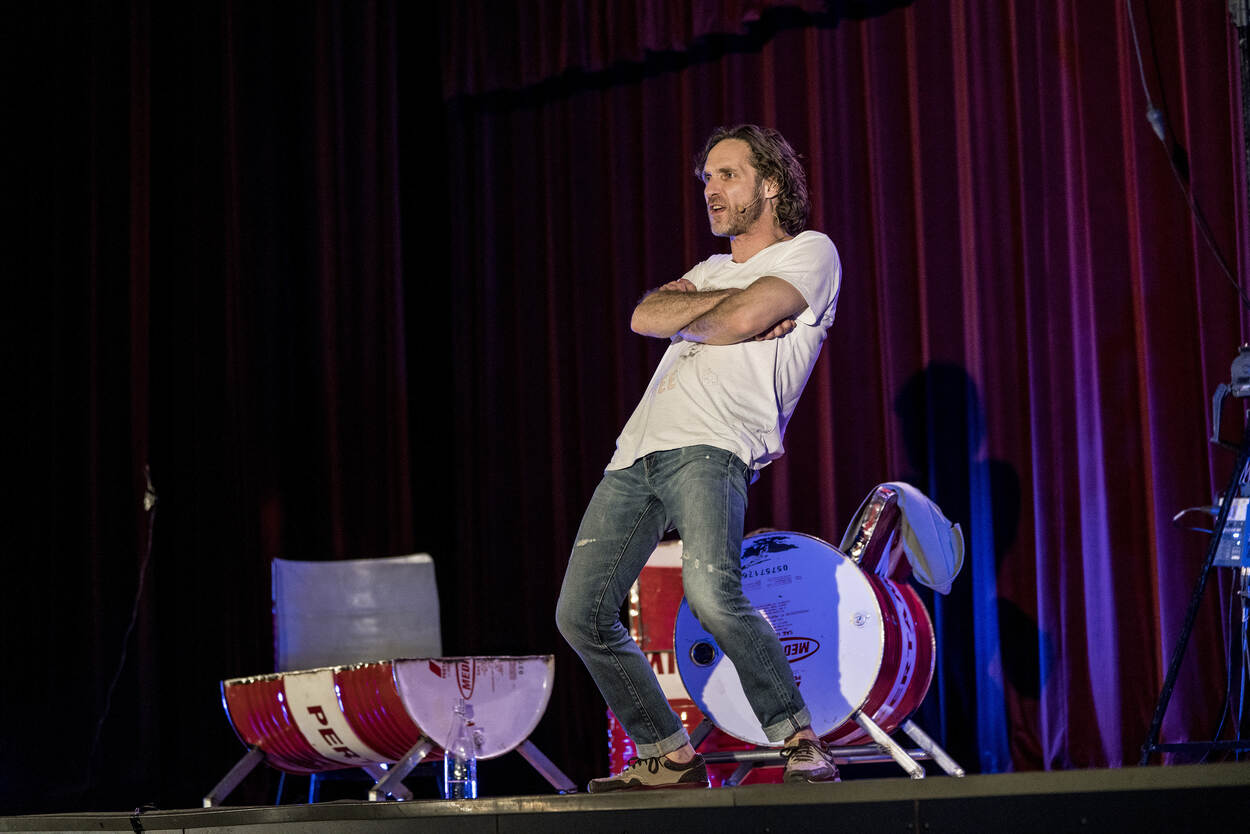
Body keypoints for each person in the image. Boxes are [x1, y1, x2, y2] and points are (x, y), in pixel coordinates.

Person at [555, 124, 842, 792]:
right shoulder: (713, 268)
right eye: (706, 178)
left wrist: (712, 314)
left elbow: (736, 319)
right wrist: (731, 306)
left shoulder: (810, 252)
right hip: (637, 451)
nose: (711, 190)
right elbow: (645, 316)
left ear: (771, 184)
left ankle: (798, 737)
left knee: (712, 592)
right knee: (580, 614)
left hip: (714, 445)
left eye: (727, 175)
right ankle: (668, 752)